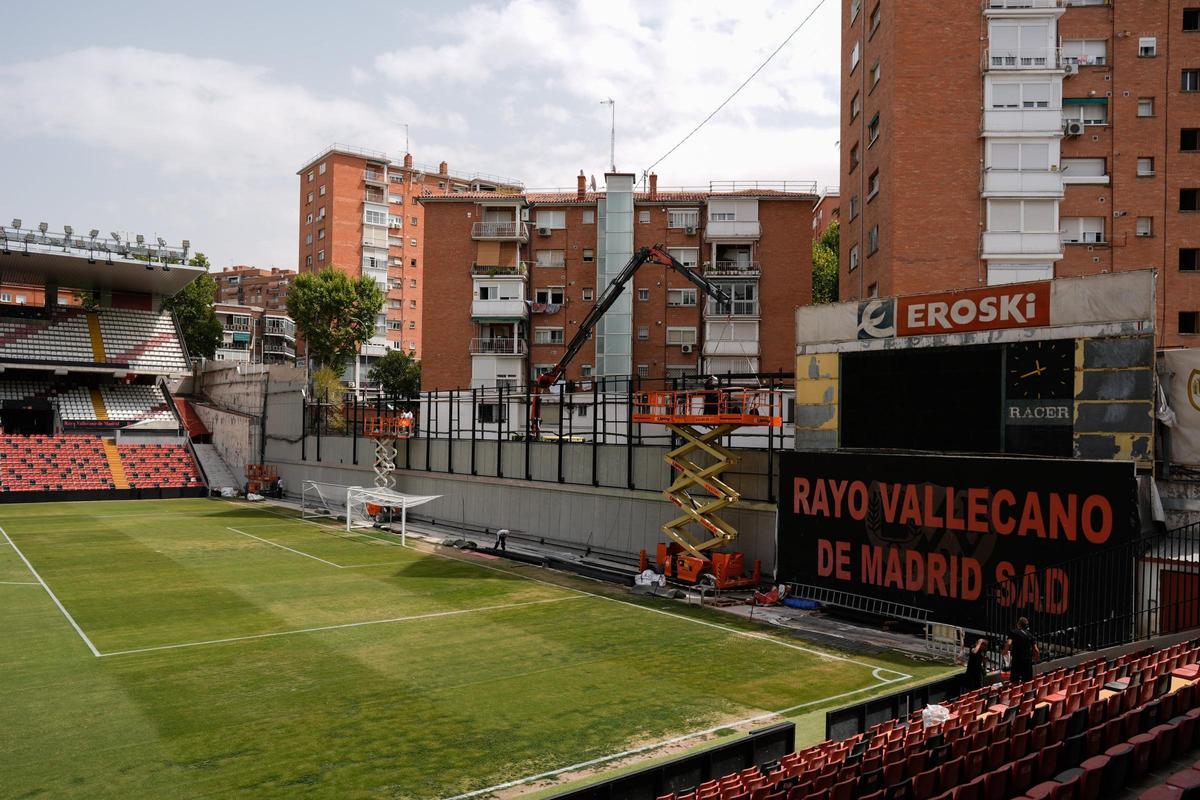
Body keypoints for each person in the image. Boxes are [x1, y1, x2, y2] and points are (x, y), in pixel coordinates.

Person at [1002, 617, 1039, 683]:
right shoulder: (1030, 635)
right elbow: (1036, 650)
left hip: (1017, 660)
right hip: (1027, 660)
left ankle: (1015, 692)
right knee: (1027, 681)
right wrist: (1036, 658)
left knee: (1014, 680)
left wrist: (1005, 651)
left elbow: (1009, 643)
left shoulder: (1013, 632)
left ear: (1018, 624)